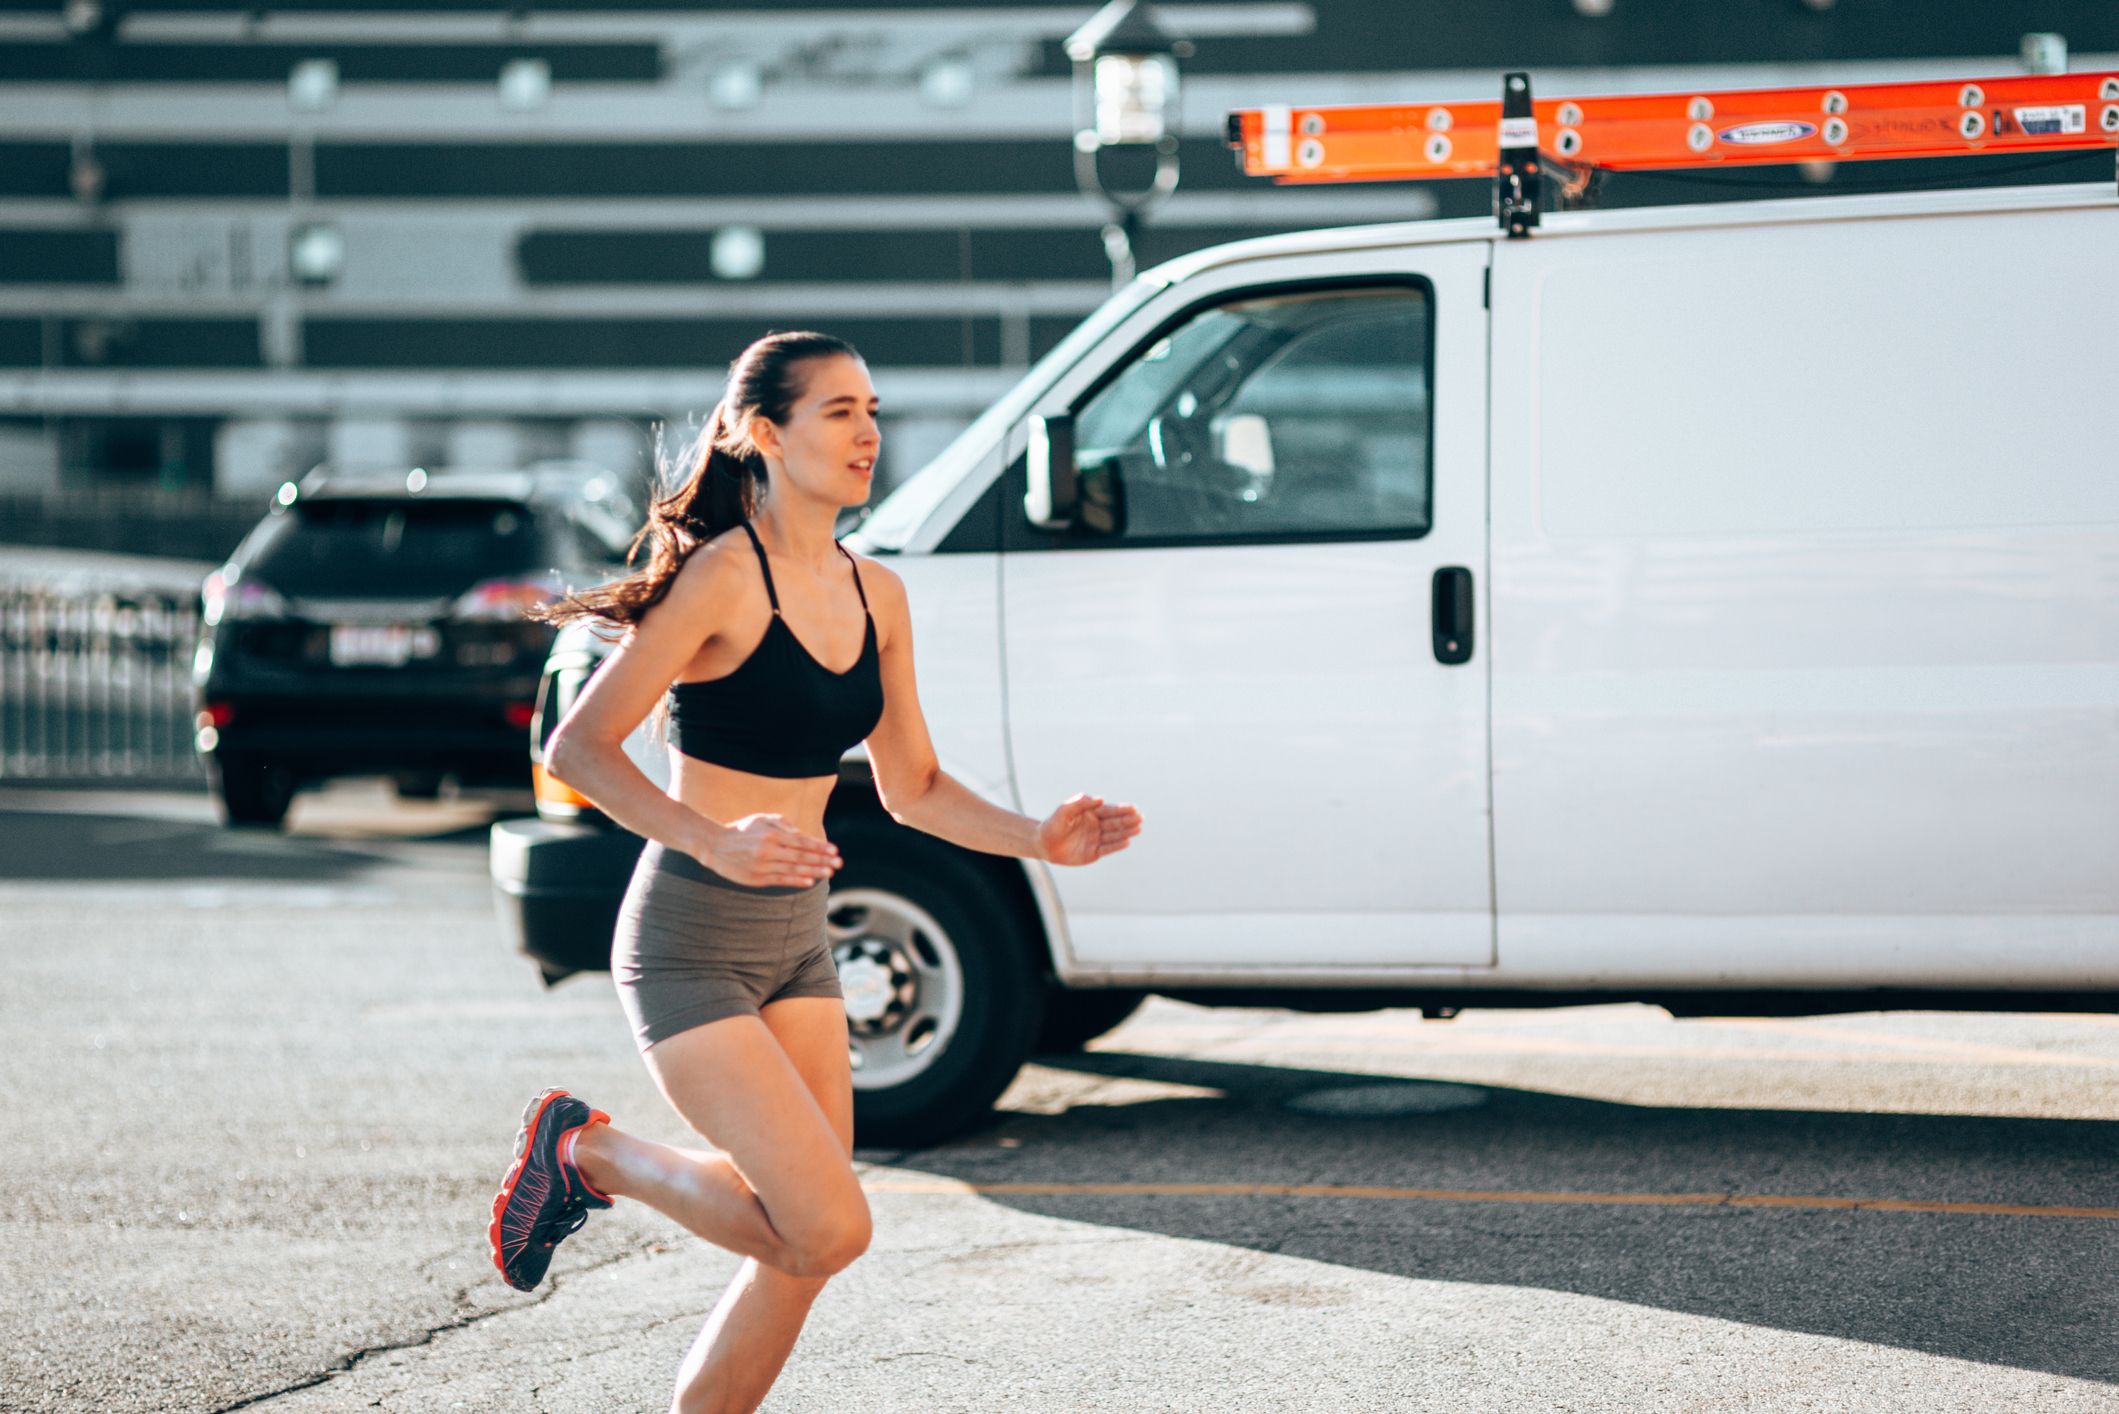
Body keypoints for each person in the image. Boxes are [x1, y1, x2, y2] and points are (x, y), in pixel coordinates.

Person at [486, 330, 1143, 1414]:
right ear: (761, 432)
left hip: (799, 941)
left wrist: (1041, 837)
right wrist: (711, 837)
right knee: (830, 1222)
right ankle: (591, 1152)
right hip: (689, 937)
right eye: (838, 411)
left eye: (872, 410)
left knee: (801, 1248)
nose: (867, 433)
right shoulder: (718, 579)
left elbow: (913, 785)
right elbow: (580, 748)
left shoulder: (877, 594)